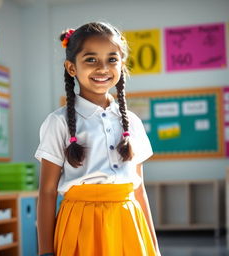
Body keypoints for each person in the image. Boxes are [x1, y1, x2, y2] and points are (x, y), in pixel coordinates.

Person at [35, 21, 161, 256]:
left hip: (128, 223)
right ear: (72, 68)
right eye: (91, 59)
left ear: (121, 65)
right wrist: (45, 251)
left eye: (112, 59)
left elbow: (139, 189)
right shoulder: (58, 122)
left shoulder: (132, 121)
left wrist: (154, 247)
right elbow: (47, 191)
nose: (103, 68)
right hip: (80, 224)